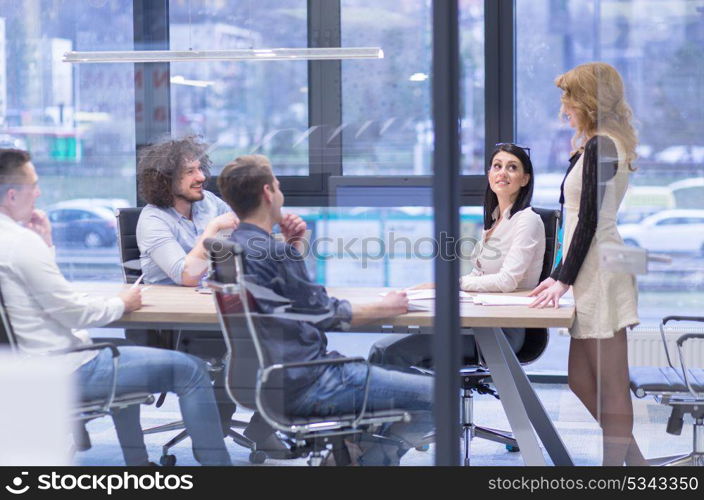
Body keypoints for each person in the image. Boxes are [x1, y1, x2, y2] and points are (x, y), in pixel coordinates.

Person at [0, 148, 231, 466]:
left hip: (24, 366)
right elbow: (71, 311)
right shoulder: (20, 244)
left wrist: (47, 243)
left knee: (122, 361)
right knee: (190, 371)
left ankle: (138, 465)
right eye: (34, 185)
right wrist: (118, 304)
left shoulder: (13, 242)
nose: (39, 193)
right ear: (12, 195)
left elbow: (42, 296)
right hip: (65, 368)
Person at [217, 154, 433, 466]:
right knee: (441, 396)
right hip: (311, 381)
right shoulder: (274, 253)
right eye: (277, 185)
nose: (279, 192)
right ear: (267, 192)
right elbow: (327, 314)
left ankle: (353, 452)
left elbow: (286, 303)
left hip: (264, 381)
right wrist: (385, 307)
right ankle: (365, 458)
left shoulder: (234, 246)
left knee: (387, 376)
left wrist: (293, 247)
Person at [135, 136, 289, 458]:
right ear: (165, 179)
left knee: (289, 334)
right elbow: (186, 274)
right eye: (189, 172)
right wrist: (212, 231)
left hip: (221, 307)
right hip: (182, 325)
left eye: (199, 168)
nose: (201, 177)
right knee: (252, 344)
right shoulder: (152, 220)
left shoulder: (210, 204)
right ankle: (216, 422)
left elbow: (251, 243)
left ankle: (261, 426)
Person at [528, 62, 646, 466]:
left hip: (603, 268)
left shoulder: (602, 145)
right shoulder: (597, 142)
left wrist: (561, 278)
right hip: (593, 267)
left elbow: (591, 221)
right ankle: (639, 466)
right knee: (580, 378)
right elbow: (577, 217)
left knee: (612, 386)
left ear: (589, 100)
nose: (564, 106)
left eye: (569, 96)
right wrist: (561, 274)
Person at [368, 143, 545, 368]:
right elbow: (480, 275)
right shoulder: (496, 219)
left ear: (525, 179)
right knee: (382, 349)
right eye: (497, 166)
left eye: (512, 167)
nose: (502, 172)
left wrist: (452, 285)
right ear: (489, 175)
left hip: (500, 331)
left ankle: (419, 401)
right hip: (478, 320)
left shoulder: (527, 220)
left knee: (386, 353)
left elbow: (507, 281)